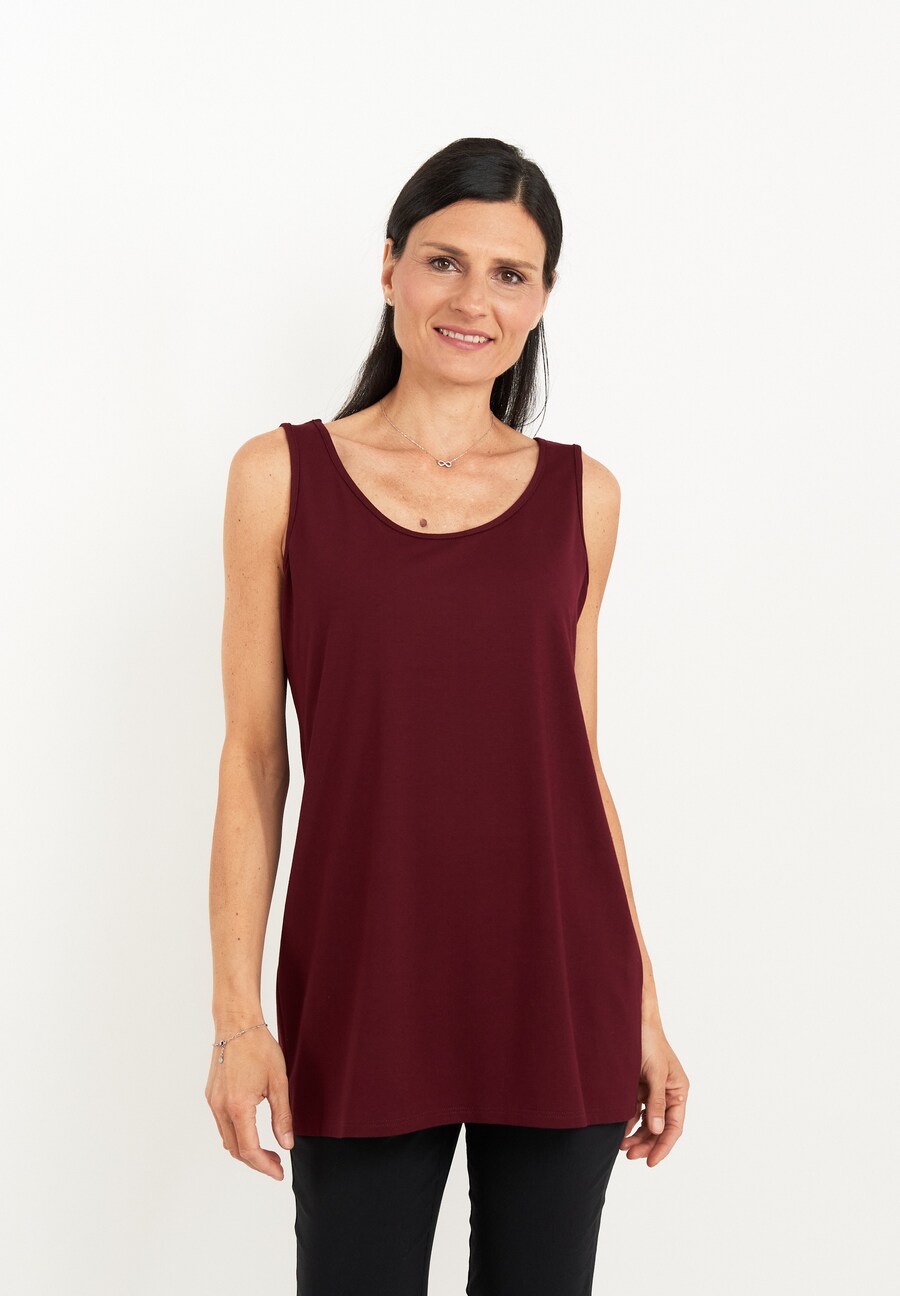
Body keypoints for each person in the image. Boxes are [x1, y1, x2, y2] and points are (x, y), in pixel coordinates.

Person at [206, 136, 689, 1295]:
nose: (474, 300)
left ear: (543, 299)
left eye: (510, 274)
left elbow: (576, 767)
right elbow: (255, 761)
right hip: (365, 983)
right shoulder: (280, 476)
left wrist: (643, 1005)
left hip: (560, 982)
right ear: (390, 268)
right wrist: (237, 1017)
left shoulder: (583, 496)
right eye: (444, 261)